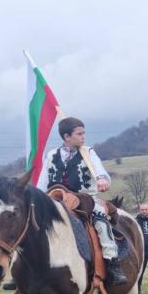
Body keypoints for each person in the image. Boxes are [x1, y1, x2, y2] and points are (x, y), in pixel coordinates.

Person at [36, 117, 127, 285]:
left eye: (83, 133)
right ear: (66, 137)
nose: (83, 137)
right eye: (79, 134)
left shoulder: (88, 152)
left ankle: (112, 263)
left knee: (100, 220)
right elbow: (42, 182)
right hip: (55, 199)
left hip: (86, 199)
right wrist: (36, 199)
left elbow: (99, 170)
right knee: (32, 225)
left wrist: (102, 179)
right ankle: (26, 270)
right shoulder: (51, 155)